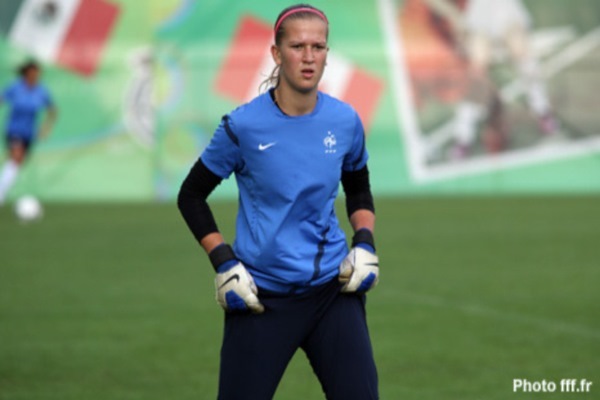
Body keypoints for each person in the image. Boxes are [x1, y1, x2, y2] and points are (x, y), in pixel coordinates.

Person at [178, 4, 379, 399]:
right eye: (297, 46)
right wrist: (224, 261)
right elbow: (191, 195)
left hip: (331, 292)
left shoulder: (345, 120)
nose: (308, 57)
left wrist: (366, 241)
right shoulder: (243, 126)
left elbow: (358, 186)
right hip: (261, 297)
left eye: (318, 47)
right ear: (276, 53)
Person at [424, 0, 558, 156]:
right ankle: (463, 135)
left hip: (508, 11)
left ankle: (542, 110)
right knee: (477, 63)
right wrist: (454, 15)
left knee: (520, 49)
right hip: (480, 17)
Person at [0, 60, 56, 204]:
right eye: (33, 72)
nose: (36, 75)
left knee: (16, 163)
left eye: (38, 72)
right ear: (26, 73)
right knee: (16, 158)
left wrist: (46, 128)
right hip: (14, 129)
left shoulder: (41, 90)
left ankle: (2, 190)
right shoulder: (16, 87)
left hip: (29, 133)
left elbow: (52, 109)